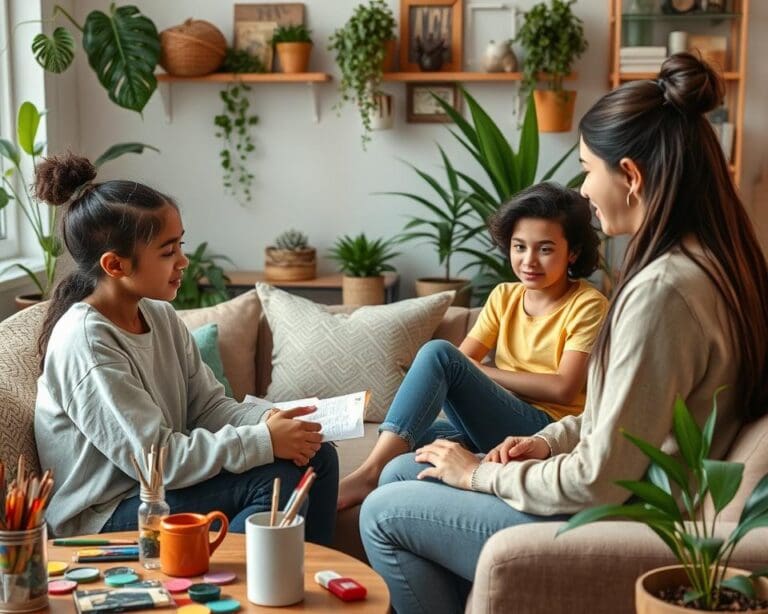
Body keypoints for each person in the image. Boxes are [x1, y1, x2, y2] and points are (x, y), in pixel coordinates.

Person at [359, 53, 768, 613]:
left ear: (631, 176)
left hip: (623, 519)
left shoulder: (662, 293)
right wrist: (546, 442)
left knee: (382, 512)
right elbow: (629, 420)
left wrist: (480, 473)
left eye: (586, 167)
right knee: (409, 466)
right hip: (625, 495)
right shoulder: (713, 263)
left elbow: (600, 480)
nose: (583, 187)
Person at [34, 153, 339, 542]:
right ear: (115, 266)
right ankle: (242, 600)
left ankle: (315, 583)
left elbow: (209, 407)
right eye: (167, 252)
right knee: (276, 476)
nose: (183, 260)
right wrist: (264, 442)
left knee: (318, 455)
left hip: (152, 492)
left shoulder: (159, 316)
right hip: (103, 517)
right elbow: (157, 461)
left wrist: (270, 423)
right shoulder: (87, 342)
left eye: (181, 244)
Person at [338, 182, 608, 510]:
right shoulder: (505, 296)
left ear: (573, 252)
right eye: (519, 247)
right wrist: (474, 371)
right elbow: (463, 365)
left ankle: (368, 475)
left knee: (438, 353)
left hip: (543, 433)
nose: (529, 261)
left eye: (545, 249)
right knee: (405, 443)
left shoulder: (588, 304)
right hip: (495, 420)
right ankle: (379, 471)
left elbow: (564, 388)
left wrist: (482, 373)